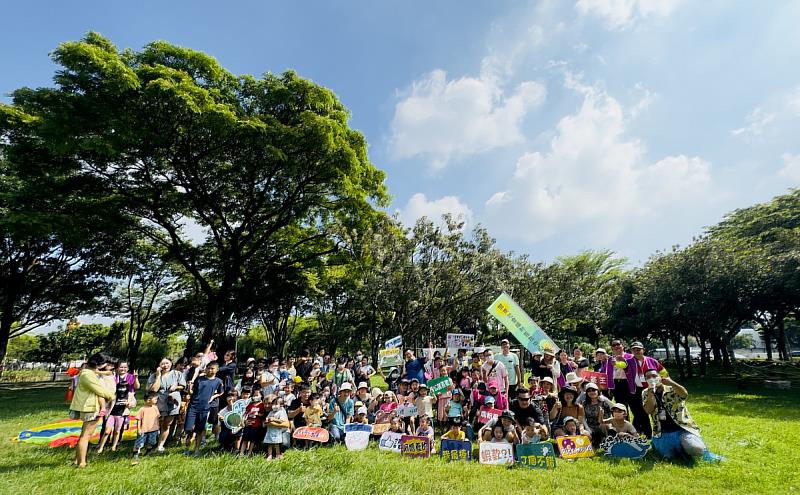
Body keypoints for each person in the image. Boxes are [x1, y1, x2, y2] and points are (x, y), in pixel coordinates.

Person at [642, 370, 721, 462]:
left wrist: (672, 383)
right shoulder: (645, 392)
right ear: (645, 380)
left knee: (696, 449)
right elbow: (648, 410)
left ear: (660, 377)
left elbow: (684, 394)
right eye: (648, 377)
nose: (652, 379)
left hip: (682, 429)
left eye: (654, 375)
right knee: (669, 457)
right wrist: (651, 395)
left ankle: (689, 446)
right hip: (662, 432)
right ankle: (666, 446)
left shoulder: (672, 388)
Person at [69, 352, 115, 468]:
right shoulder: (87, 374)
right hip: (91, 407)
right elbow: (99, 390)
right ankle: (82, 463)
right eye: (104, 363)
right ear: (99, 363)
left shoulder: (86, 372)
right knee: (86, 435)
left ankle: (77, 460)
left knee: (84, 435)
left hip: (90, 406)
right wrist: (112, 396)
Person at [183, 361, 224, 455]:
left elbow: (221, 392)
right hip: (193, 406)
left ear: (217, 370)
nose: (210, 370)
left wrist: (213, 397)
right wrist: (189, 389)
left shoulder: (218, 381)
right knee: (188, 428)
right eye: (208, 368)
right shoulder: (199, 379)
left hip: (205, 407)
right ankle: (187, 447)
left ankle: (197, 449)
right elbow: (192, 392)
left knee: (200, 429)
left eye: (212, 368)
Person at [97, 361, 138, 453]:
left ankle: (115, 443)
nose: (123, 369)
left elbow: (134, 390)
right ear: (116, 368)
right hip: (111, 404)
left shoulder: (131, 377)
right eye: (121, 367)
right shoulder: (113, 377)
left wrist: (130, 402)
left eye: (125, 367)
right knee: (106, 426)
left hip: (123, 406)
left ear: (127, 368)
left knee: (119, 428)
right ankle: (103, 443)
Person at [148, 357, 186, 452]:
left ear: (171, 363)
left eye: (167, 363)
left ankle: (160, 445)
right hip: (158, 401)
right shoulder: (154, 375)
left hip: (172, 401)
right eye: (163, 364)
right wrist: (157, 375)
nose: (165, 366)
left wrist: (176, 387)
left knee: (166, 424)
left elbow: (182, 386)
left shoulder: (177, 374)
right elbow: (153, 389)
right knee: (156, 424)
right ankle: (151, 442)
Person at [599, 339, 641, 425]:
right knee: (621, 407)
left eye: (618, 344)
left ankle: (637, 427)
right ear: (612, 348)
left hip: (628, 383)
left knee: (634, 406)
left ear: (623, 346)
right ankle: (626, 425)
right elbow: (607, 373)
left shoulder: (630, 356)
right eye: (614, 345)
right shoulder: (610, 359)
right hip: (616, 384)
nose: (616, 346)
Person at [630, 341, 666, 438]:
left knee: (656, 410)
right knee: (641, 412)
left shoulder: (652, 360)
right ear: (631, 351)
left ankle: (661, 431)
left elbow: (663, 371)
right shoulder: (628, 362)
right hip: (637, 390)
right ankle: (648, 433)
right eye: (634, 349)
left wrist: (665, 380)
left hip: (653, 388)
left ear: (643, 350)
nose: (636, 351)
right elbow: (618, 365)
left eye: (639, 349)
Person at [131, 391, 161, 465]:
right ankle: (135, 454)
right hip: (143, 430)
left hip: (153, 429)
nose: (156, 401)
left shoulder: (155, 408)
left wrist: (158, 427)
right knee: (139, 443)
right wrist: (139, 429)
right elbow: (138, 419)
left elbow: (158, 418)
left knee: (151, 442)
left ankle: (148, 452)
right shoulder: (142, 409)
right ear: (148, 400)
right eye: (155, 399)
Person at [239, 389, 267, 456]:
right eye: (254, 395)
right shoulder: (250, 404)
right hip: (248, 424)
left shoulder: (262, 405)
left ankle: (249, 452)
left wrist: (257, 414)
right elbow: (246, 413)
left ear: (261, 396)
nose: (255, 396)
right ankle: (241, 453)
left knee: (252, 440)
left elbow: (263, 414)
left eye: (257, 395)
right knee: (245, 439)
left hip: (256, 425)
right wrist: (243, 421)